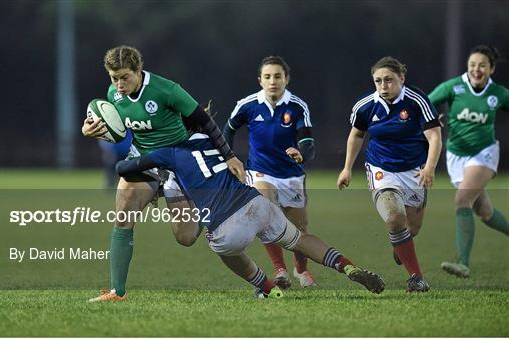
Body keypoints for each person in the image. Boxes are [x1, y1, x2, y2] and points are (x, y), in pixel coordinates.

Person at [112, 132, 385, 300]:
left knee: (226, 251)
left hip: (226, 225)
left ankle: (268, 289)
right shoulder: (213, 140)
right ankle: (348, 267)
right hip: (255, 202)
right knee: (299, 239)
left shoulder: (169, 150)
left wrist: (156, 171)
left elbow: (124, 166)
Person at [82, 45, 245, 302]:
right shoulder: (113, 94)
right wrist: (90, 130)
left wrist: (229, 156)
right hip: (143, 160)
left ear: (139, 70)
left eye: (125, 76)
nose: (119, 84)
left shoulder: (166, 89)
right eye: (114, 78)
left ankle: (204, 206)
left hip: (177, 161)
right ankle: (117, 292)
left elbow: (204, 120)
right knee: (123, 214)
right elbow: (115, 131)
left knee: (186, 237)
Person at [337, 56, 442, 292]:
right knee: (395, 219)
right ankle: (416, 278)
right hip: (381, 169)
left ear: (401, 79)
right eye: (378, 81)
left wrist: (429, 168)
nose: (383, 86)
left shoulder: (417, 101)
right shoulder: (365, 106)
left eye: (389, 80)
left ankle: (401, 247)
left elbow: (434, 135)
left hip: (415, 171)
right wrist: (346, 168)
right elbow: (356, 135)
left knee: (412, 228)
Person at [222, 56, 316, 288]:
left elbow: (308, 142)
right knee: (266, 214)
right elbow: (227, 132)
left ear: (286, 79)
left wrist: (301, 153)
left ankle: (302, 270)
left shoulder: (297, 106)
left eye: (277, 76)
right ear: (260, 80)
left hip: (291, 175)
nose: (272, 81)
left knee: (300, 228)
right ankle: (280, 270)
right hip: (260, 172)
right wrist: (228, 157)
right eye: (267, 76)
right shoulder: (247, 105)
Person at [428, 45, 509, 278]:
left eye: (482, 65)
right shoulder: (454, 87)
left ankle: (462, 262)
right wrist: (433, 118)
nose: (476, 69)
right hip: (456, 155)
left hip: (484, 154)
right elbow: (425, 103)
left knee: (462, 199)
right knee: (485, 213)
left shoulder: (498, 94)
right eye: (473, 64)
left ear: (491, 69)